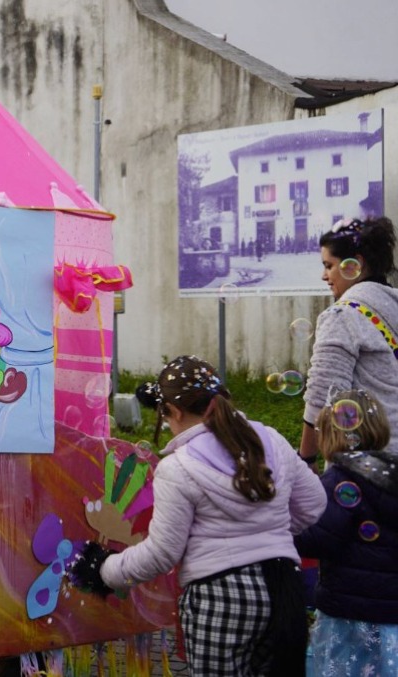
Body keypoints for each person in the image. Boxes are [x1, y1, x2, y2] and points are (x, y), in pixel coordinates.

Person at [90, 356, 326, 675]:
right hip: (285, 586)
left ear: (174, 411)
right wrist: (271, 532)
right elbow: (313, 503)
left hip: (221, 597)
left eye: (164, 415)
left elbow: (162, 553)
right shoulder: (272, 440)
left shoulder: (178, 467)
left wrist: (104, 569)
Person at [295, 388, 398, 676]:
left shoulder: (340, 479)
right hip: (392, 614)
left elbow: (321, 539)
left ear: (331, 435)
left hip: (349, 612)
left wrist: (289, 530)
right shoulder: (391, 473)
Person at [301, 217, 398, 462]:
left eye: (328, 265)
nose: (324, 276)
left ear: (355, 265)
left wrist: (307, 458)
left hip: (368, 462)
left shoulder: (342, 314)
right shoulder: (393, 303)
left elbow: (322, 397)